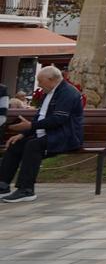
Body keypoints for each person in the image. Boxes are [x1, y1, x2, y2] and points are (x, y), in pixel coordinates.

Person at [0, 66, 84, 203]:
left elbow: (59, 119)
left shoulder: (68, 93)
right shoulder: (49, 92)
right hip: (49, 134)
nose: (38, 85)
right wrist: (23, 134)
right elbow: (40, 117)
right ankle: (2, 185)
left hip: (66, 137)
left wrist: (31, 126)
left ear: (52, 80)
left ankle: (26, 190)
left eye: (40, 81)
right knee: (16, 143)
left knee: (33, 146)